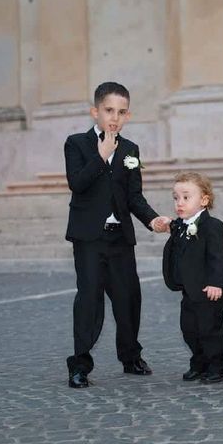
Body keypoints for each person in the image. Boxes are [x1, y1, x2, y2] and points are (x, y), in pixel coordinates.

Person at [64, 81, 171, 388]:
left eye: (121, 112)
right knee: (89, 299)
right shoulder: (77, 144)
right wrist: (100, 156)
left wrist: (152, 220)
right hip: (89, 238)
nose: (114, 117)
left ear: (128, 116)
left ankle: (130, 356)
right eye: (109, 110)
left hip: (120, 237)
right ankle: (80, 365)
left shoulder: (130, 150)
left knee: (128, 298)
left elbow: (134, 196)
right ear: (94, 111)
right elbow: (77, 183)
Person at [162, 172, 223, 384]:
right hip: (190, 291)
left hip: (211, 292)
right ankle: (199, 362)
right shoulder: (181, 226)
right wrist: (169, 225)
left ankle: (217, 366)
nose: (179, 203)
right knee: (189, 330)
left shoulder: (213, 226)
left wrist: (216, 283)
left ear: (204, 200)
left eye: (185, 197)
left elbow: (218, 257)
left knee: (210, 331)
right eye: (176, 198)